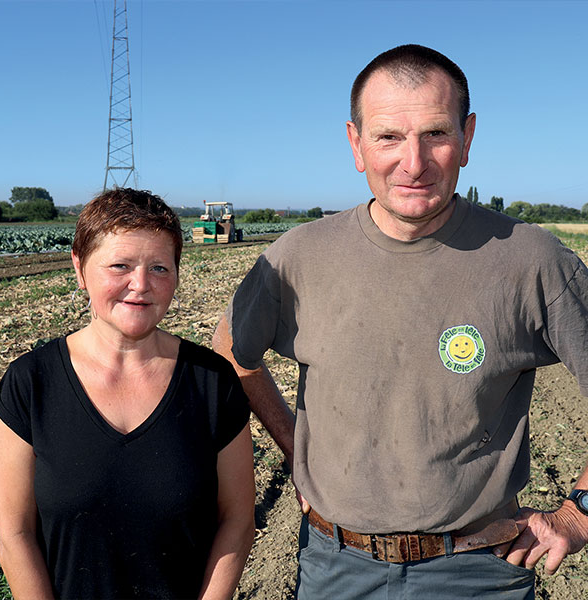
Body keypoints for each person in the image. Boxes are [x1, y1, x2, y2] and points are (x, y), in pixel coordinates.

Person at [212, 44, 588, 598]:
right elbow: (230, 353)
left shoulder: (532, 261)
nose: (413, 163)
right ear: (355, 143)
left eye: (436, 133)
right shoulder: (297, 258)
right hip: (334, 565)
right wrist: (296, 450)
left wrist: (577, 515)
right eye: (389, 137)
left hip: (478, 571)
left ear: (468, 138)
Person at [0, 188, 255, 599]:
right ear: (79, 268)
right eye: (120, 265)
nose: (141, 285)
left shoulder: (212, 382)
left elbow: (237, 519)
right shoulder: (31, 383)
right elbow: (14, 532)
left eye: (160, 269)